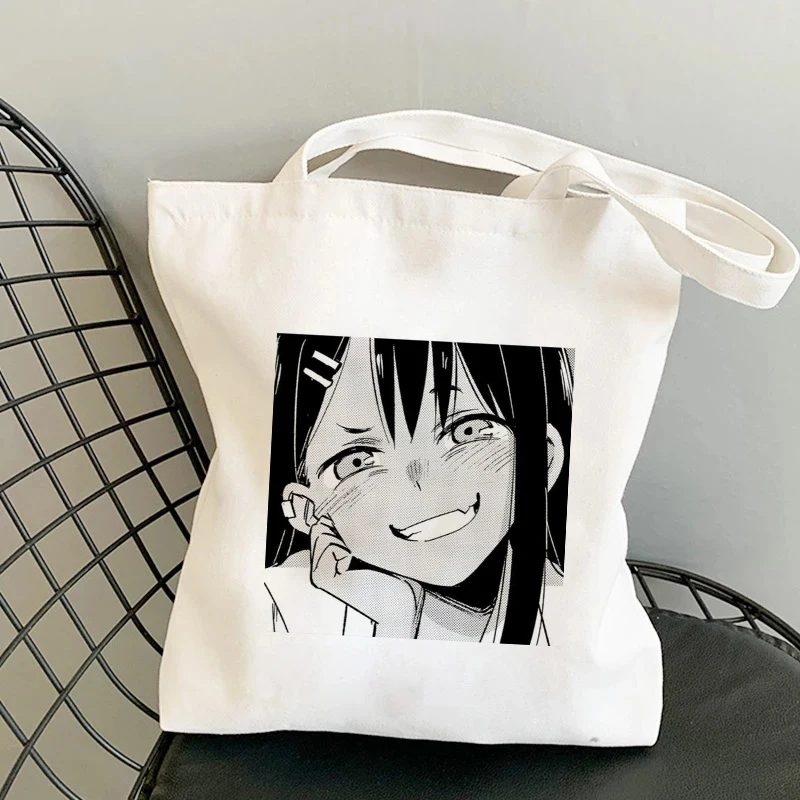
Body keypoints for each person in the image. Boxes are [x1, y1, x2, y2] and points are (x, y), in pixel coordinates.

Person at [264, 335, 573, 645]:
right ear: (305, 507)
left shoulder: (566, 606)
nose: (420, 481)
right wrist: (393, 614)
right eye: (356, 462)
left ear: (540, 459)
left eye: (466, 431)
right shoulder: (284, 604)